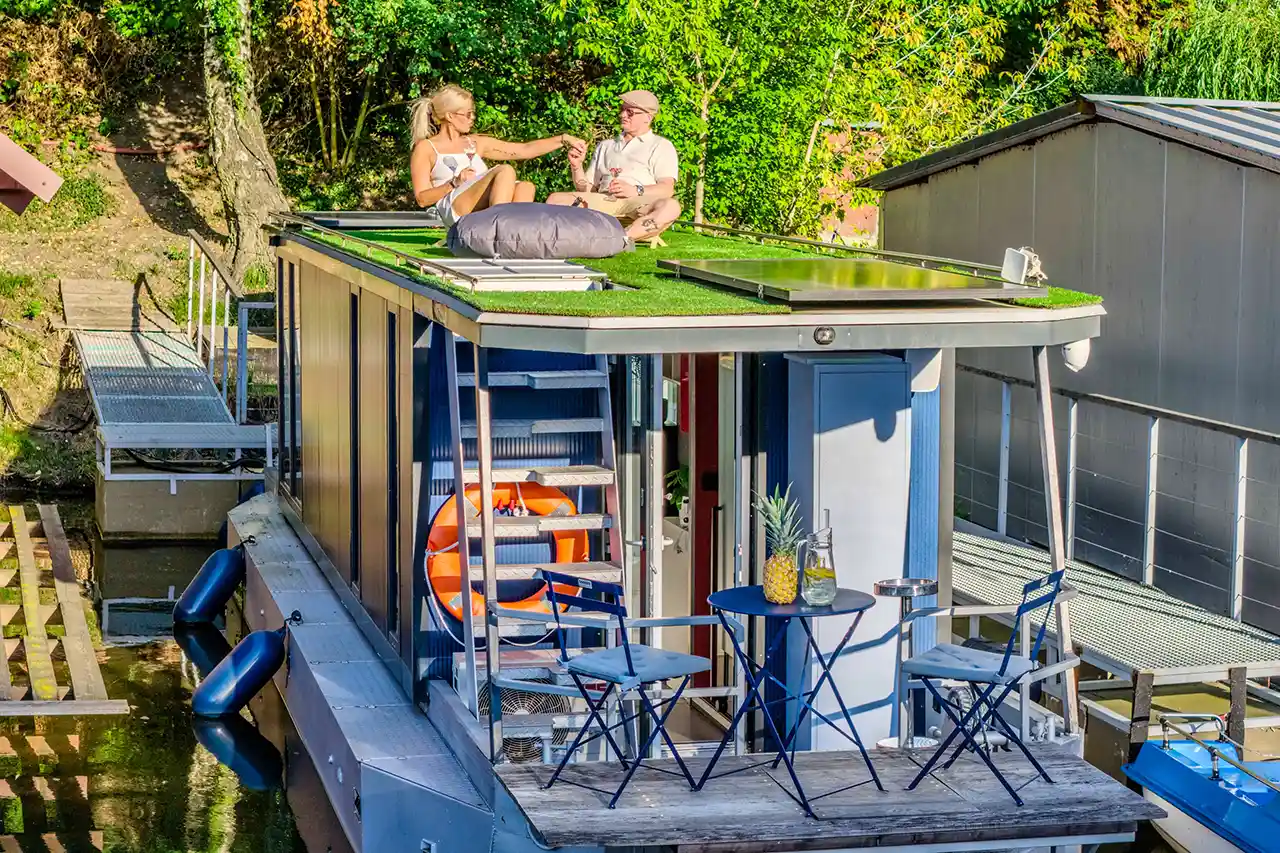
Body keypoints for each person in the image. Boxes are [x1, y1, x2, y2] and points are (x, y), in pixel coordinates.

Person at [410, 84, 583, 226]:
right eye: (468, 114)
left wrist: (563, 139)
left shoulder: (476, 143)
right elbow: (422, 199)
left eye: (473, 113)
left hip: (481, 207)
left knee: (525, 186)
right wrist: (454, 182)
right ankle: (497, 231)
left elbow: (525, 150)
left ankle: (517, 238)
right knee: (505, 171)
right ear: (450, 116)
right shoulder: (426, 148)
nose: (473, 118)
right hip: (454, 208)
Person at [547, 90, 681, 241]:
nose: (623, 115)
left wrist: (635, 190)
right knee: (555, 199)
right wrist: (576, 166)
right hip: (604, 200)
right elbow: (586, 189)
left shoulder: (661, 145)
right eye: (622, 110)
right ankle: (588, 237)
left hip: (638, 203)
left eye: (630, 112)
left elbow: (666, 189)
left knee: (671, 207)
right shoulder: (606, 145)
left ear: (647, 117)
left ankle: (621, 239)